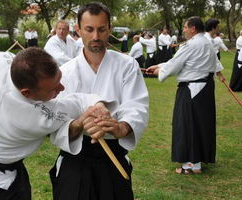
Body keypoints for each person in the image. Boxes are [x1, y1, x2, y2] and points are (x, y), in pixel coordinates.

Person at [0, 47, 113, 200]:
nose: (62, 89)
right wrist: (97, 105)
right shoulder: (36, 117)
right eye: (54, 89)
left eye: (59, 80)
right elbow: (77, 103)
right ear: (27, 93)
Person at [49, 2, 149, 200]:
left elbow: (136, 105)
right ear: (78, 30)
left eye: (102, 29)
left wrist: (121, 128)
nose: (96, 37)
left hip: (113, 156)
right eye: (89, 29)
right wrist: (79, 123)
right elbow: (55, 118)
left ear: (109, 29)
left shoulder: (127, 65)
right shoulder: (65, 72)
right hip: (75, 158)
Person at [146, 16, 219, 174]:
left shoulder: (192, 44)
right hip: (204, 88)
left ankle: (191, 165)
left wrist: (161, 71)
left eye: (185, 27)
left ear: (193, 28)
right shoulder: (206, 41)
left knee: (188, 125)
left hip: (192, 90)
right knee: (200, 125)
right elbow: (180, 61)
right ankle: (197, 160)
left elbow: (175, 64)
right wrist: (159, 66)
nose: (184, 30)